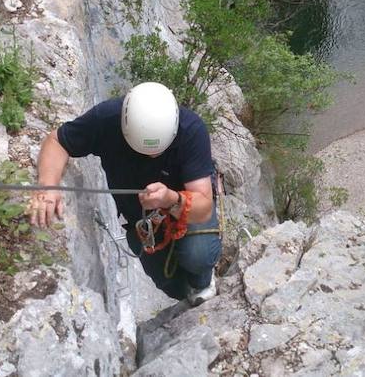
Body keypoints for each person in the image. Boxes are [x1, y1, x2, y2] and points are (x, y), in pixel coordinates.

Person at [29, 82, 221, 306]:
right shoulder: (106, 119)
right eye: (143, 150)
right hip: (141, 220)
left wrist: (171, 199)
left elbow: (203, 208)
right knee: (168, 283)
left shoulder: (191, 131)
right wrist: (48, 187)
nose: (151, 157)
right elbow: (57, 142)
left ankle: (203, 284)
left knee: (198, 255)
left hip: (181, 205)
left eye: (158, 151)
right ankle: (185, 295)